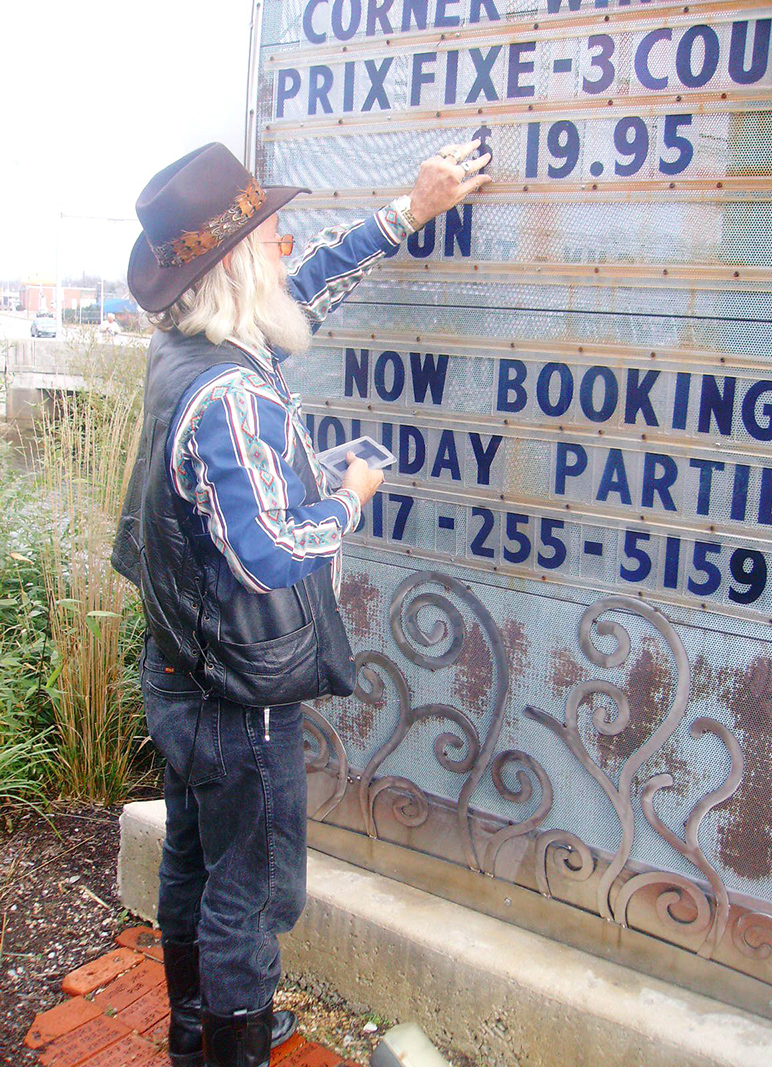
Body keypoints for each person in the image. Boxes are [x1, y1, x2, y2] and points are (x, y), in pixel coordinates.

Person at [112, 139, 490, 1067]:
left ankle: (196, 1031)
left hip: (180, 670)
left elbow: (306, 286)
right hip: (240, 701)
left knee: (196, 862)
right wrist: (349, 493)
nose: (287, 250)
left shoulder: (187, 348)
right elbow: (273, 551)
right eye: (275, 239)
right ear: (239, 264)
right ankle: (232, 1047)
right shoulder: (235, 395)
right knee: (253, 893)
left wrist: (408, 210)